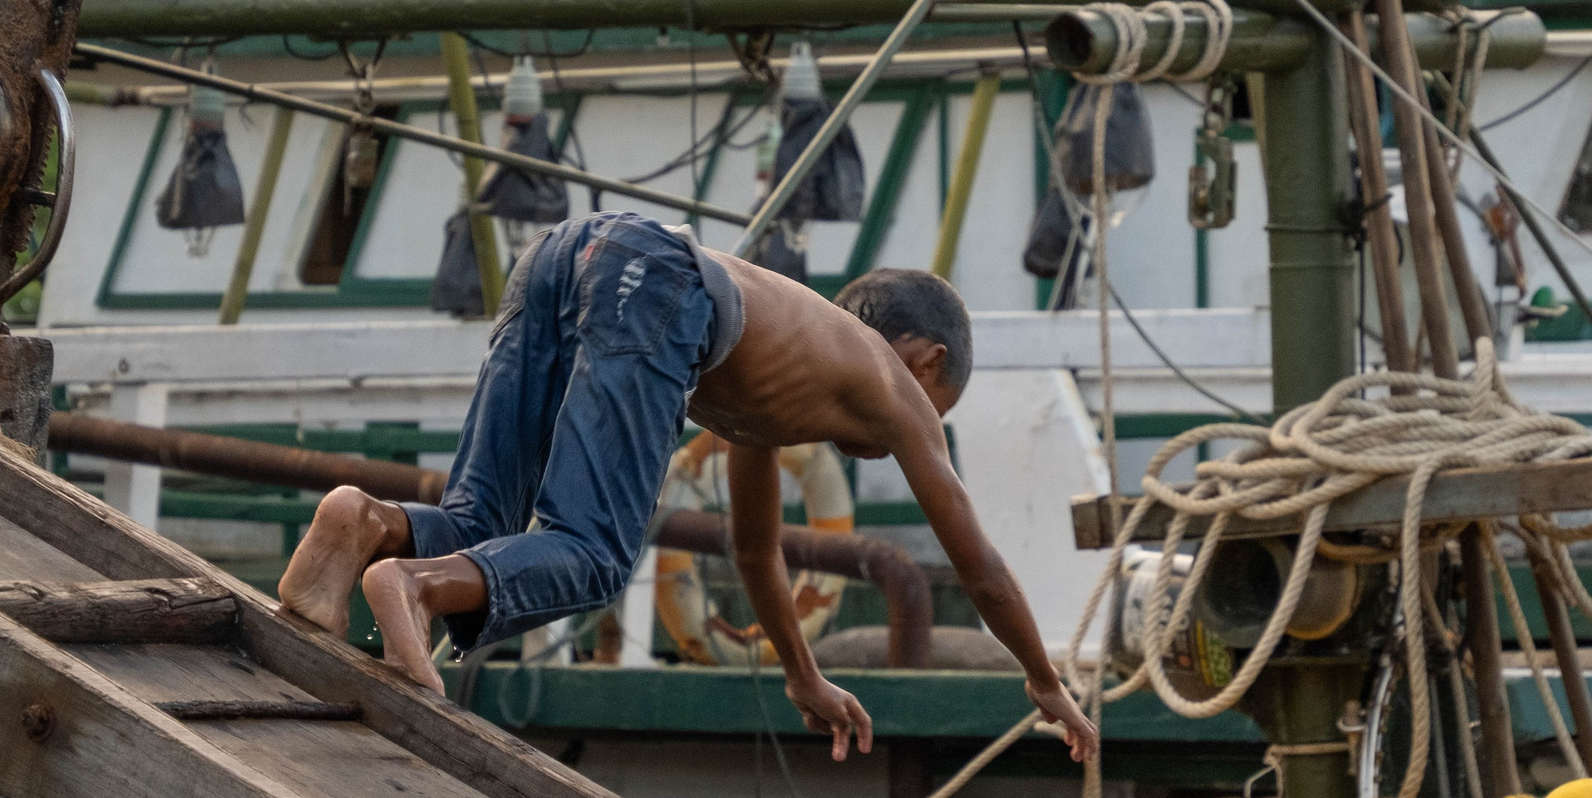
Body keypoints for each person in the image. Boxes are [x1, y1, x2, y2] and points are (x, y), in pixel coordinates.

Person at [277, 212, 1097, 763]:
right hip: (653, 274)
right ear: (927, 362)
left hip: (561, 253)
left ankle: (361, 521)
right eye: (935, 405)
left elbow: (754, 548)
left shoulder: (790, 373)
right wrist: (1043, 678)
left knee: (478, 519)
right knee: (592, 553)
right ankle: (416, 587)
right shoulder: (893, 384)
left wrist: (802, 672)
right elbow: (981, 567)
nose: (896, 448)